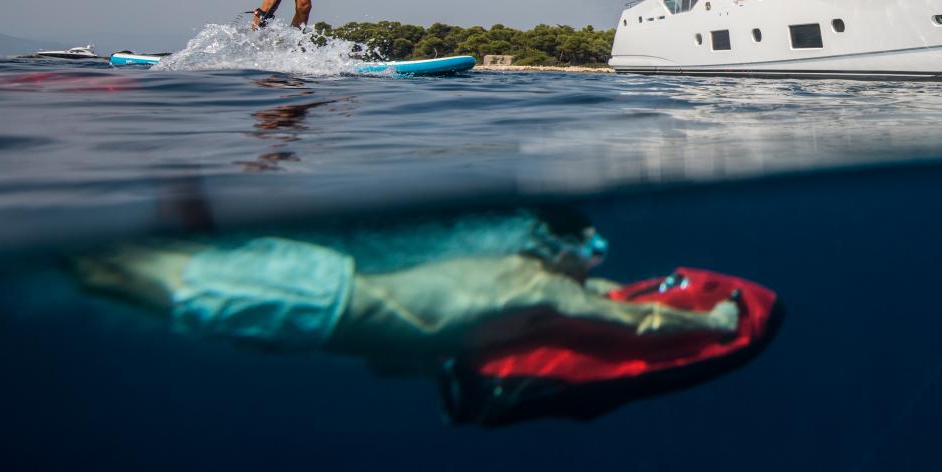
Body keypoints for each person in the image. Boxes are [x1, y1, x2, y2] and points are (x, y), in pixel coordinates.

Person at [67, 207, 740, 373]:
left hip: (321, 281)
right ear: (561, 250)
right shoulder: (551, 291)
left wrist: (622, 290)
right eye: (590, 249)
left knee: (144, 268)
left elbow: (600, 296)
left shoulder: (522, 267)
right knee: (129, 277)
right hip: (317, 305)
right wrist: (712, 321)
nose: (598, 259)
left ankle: (85, 254)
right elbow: (630, 322)